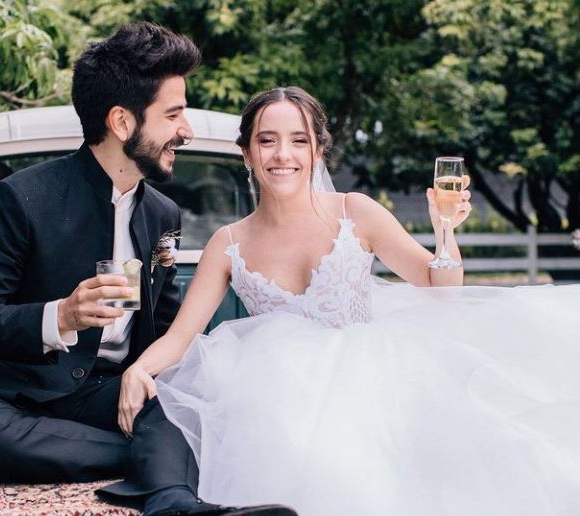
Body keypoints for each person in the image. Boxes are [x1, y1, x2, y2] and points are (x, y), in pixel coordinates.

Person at [119, 86, 580, 515]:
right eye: (267, 141)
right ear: (246, 153)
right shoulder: (228, 242)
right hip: (272, 395)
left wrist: (444, 232)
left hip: (374, 378)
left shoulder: (355, 211)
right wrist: (138, 369)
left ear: (318, 151)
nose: (283, 155)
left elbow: (441, 288)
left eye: (299, 141)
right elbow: (181, 337)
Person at [0, 22, 294, 516]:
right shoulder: (20, 198)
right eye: (173, 114)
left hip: (105, 396)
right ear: (123, 122)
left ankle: (172, 503)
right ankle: (157, 462)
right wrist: (60, 316)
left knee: (184, 400)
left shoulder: (163, 214)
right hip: (7, 400)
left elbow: (163, 328)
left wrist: (153, 376)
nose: (184, 131)